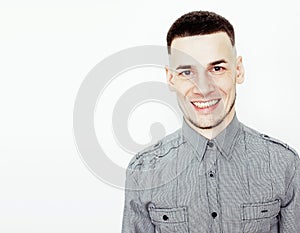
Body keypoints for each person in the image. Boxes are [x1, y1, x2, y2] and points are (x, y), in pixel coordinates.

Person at [121, 10, 300, 233]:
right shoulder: (143, 171)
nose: (204, 88)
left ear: (238, 70)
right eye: (187, 72)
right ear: (170, 78)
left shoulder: (285, 164)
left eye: (217, 68)